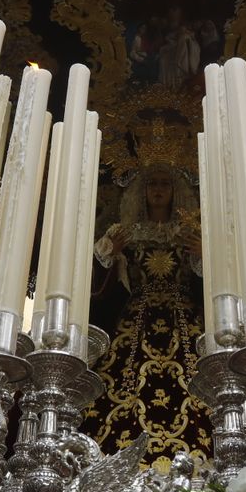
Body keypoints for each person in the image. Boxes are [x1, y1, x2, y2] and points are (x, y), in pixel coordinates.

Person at [85, 163, 210, 467]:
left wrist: (204, 255)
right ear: (141, 191)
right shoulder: (123, 233)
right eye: (151, 183)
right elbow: (97, 284)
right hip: (134, 322)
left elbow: (211, 284)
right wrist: (108, 254)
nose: (157, 189)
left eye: (164, 184)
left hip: (185, 322)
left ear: (175, 191)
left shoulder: (191, 234)